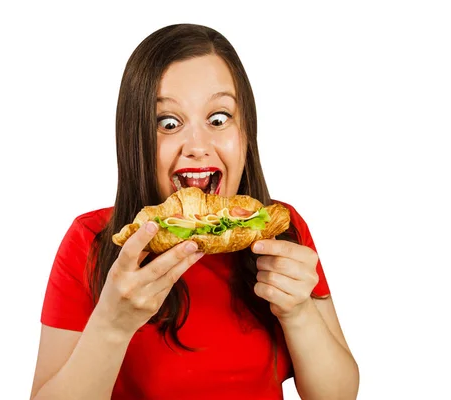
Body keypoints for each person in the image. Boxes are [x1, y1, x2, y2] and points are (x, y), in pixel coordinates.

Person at [30, 23, 359, 400]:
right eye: (168, 123)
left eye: (219, 119)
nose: (197, 146)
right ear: (134, 138)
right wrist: (111, 326)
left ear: (246, 131)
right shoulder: (93, 241)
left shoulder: (280, 230)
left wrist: (299, 313)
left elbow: (339, 394)